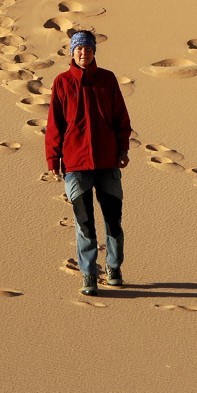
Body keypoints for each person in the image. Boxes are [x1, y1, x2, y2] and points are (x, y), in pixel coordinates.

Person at [45, 30, 132, 297]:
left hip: (107, 161)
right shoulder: (61, 83)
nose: (84, 53)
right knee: (84, 223)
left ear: (94, 51)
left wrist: (122, 148)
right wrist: (53, 158)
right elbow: (54, 124)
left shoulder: (107, 80)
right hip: (76, 163)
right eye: (79, 49)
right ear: (72, 52)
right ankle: (89, 274)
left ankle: (114, 268)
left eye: (88, 49)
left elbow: (121, 117)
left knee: (113, 220)